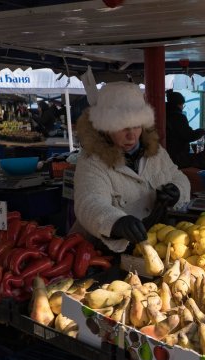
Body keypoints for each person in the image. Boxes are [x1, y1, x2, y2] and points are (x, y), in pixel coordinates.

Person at [73, 82, 191, 253]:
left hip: (152, 246)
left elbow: (178, 177)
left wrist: (177, 191)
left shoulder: (156, 152)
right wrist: (115, 222)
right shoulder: (92, 161)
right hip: (104, 252)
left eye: (136, 126)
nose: (131, 136)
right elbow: (89, 202)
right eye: (122, 127)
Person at [165, 91, 205, 169]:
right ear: (179, 104)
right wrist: (201, 131)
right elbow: (188, 135)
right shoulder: (178, 117)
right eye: (183, 105)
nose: (183, 107)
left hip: (165, 153)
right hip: (177, 156)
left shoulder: (164, 113)